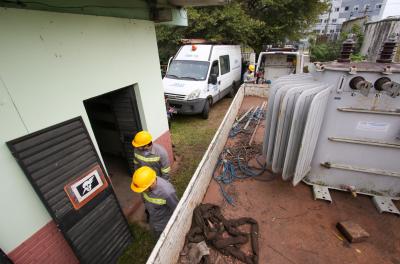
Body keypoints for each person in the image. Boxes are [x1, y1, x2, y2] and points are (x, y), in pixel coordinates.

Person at [131, 166, 179, 238]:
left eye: (144, 189)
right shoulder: (145, 186)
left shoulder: (167, 193)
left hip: (164, 223)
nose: (143, 191)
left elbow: (177, 209)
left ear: (152, 183)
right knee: (154, 234)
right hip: (153, 218)